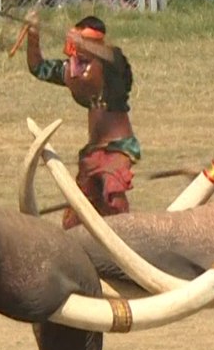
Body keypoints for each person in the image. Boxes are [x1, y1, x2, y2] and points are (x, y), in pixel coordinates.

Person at [24, 14, 139, 229]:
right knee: (81, 207)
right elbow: (38, 68)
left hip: (117, 148)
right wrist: (33, 36)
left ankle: (126, 233)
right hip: (93, 150)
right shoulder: (72, 69)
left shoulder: (112, 66)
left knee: (112, 192)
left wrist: (85, 44)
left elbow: (111, 56)